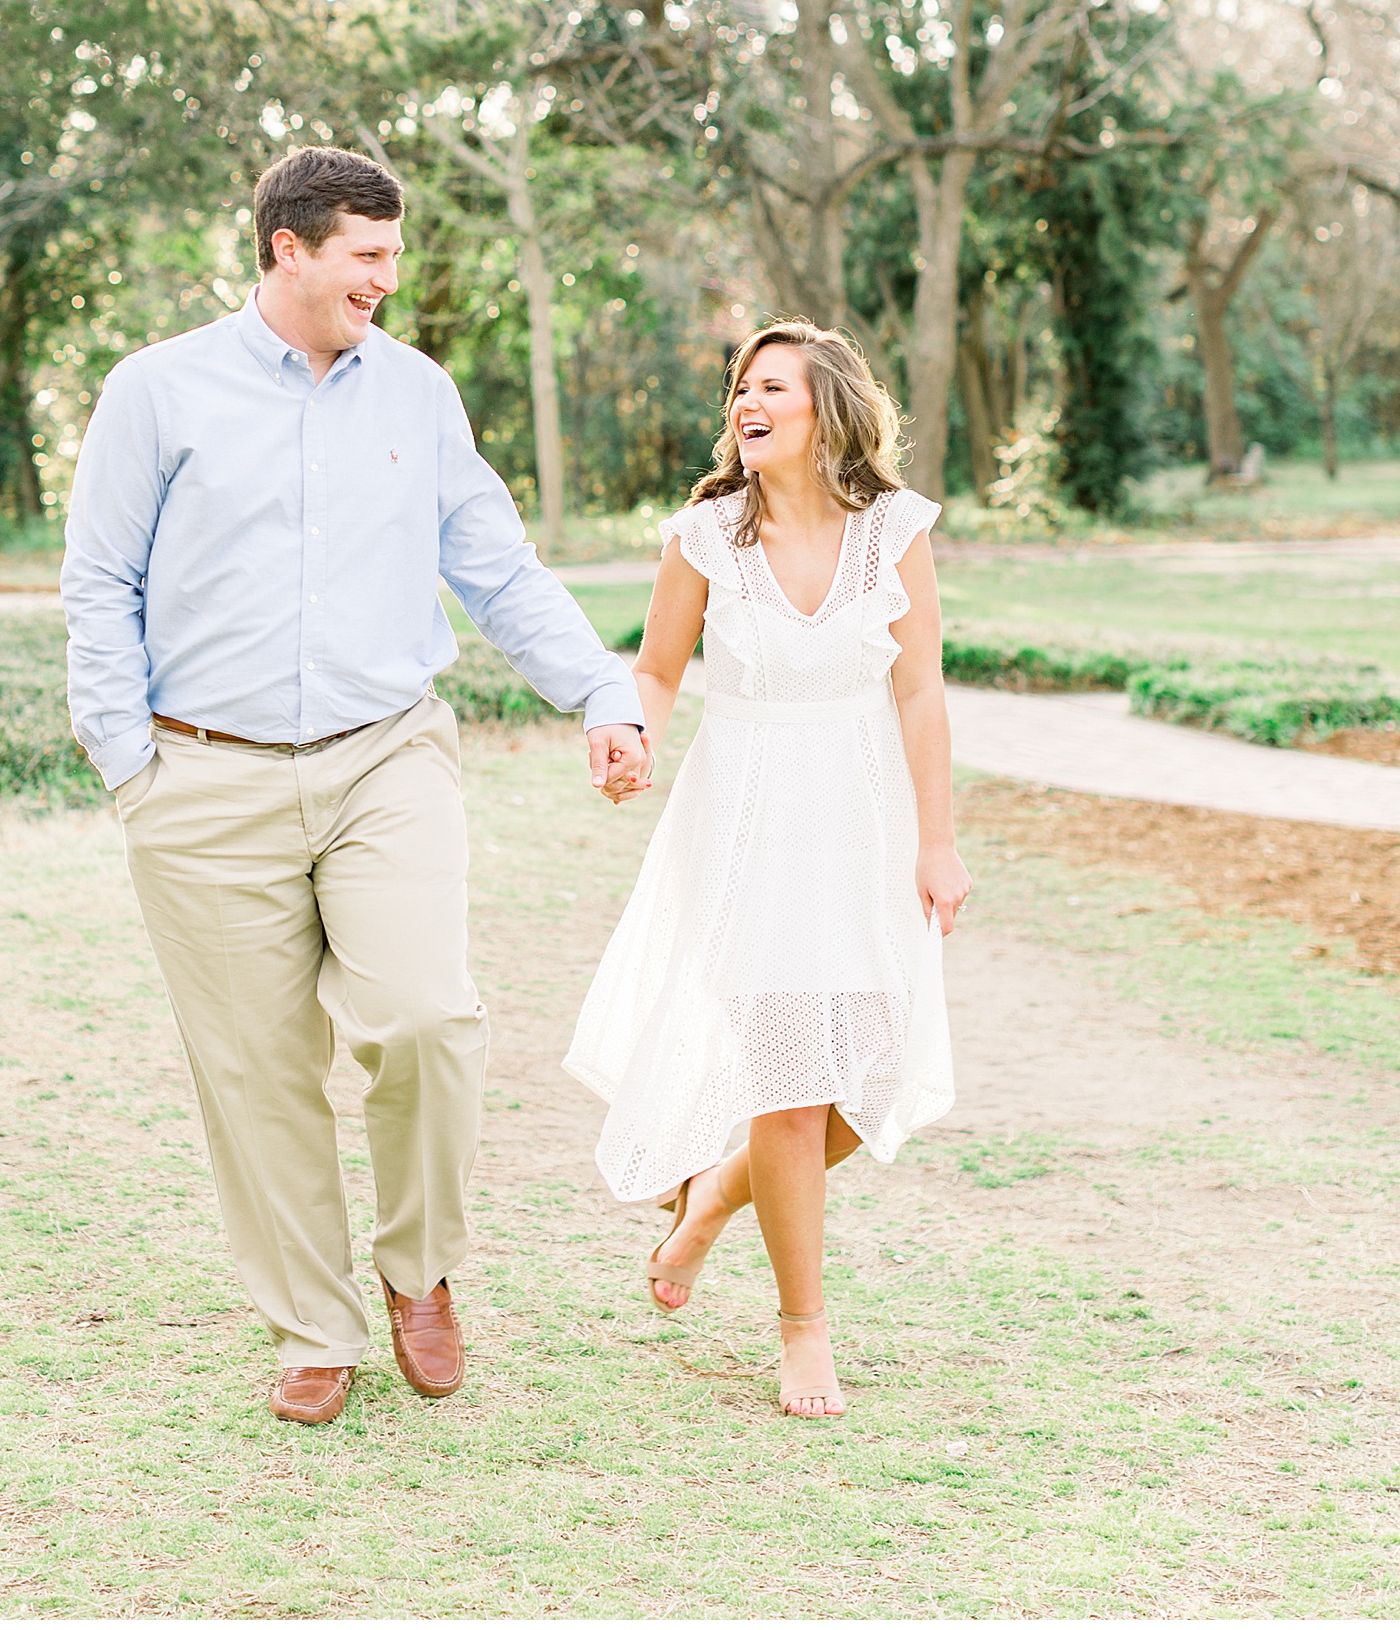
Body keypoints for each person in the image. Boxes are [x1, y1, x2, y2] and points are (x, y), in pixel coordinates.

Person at [62, 145, 649, 1428]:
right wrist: (129, 763)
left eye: (393, 252)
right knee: (258, 1066)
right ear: (289, 248)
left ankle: (419, 1265)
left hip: (386, 753)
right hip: (202, 777)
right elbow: (99, 579)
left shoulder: (419, 395)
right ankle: (312, 1325)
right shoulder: (158, 390)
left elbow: (496, 566)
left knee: (429, 1017)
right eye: (367, 254)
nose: (389, 276)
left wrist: (602, 692)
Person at [564, 319, 967, 1418]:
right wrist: (629, 734)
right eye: (741, 385)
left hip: (865, 821)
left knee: (862, 1076)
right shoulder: (705, 536)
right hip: (743, 825)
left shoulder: (895, 529)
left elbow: (920, 691)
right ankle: (804, 1331)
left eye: (772, 385)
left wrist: (937, 838)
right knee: (790, 1089)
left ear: (826, 406)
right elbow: (655, 668)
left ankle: (705, 1205)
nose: (748, 400)